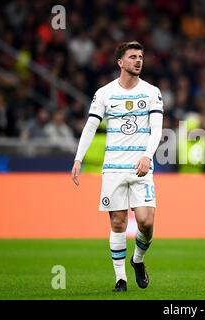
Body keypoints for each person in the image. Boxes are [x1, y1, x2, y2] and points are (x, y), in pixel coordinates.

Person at [71, 41, 164, 292]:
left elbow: (157, 129)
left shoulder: (151, 92)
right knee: (118, 223)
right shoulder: (104, 93)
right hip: (113, 168)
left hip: (141, 167)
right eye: (133, 56)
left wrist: (148, 155)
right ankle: (120, 279)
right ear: (120, 62)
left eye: (141, 56)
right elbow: (90, 127)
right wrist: (79, 158)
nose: (138, 60)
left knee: (145, 222)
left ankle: (138, 260)